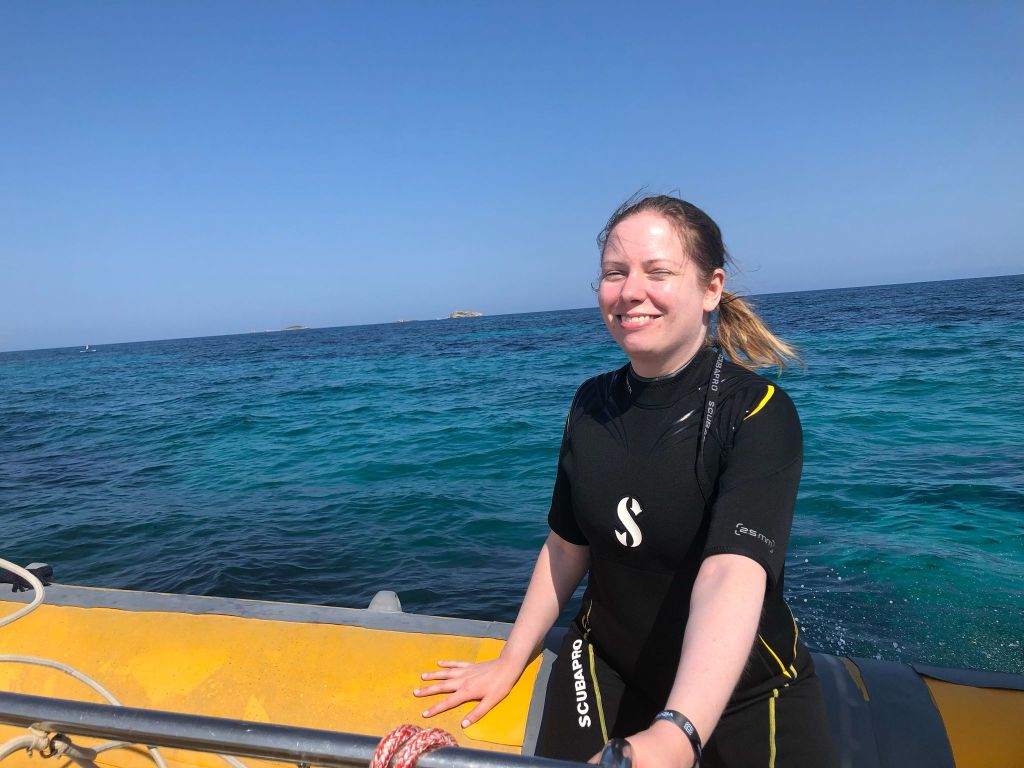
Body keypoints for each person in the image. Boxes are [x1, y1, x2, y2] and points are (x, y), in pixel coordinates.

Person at [414, 195, 837, 768]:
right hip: (606, 664)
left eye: (658, 272)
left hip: (744, 684)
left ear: (711, 288)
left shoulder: (759, 411)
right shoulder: (590, 404)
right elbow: (567, 547)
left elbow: (731, 573)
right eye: (615, 273)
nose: (630, 291)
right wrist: (513, 657)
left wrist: (678, 731)